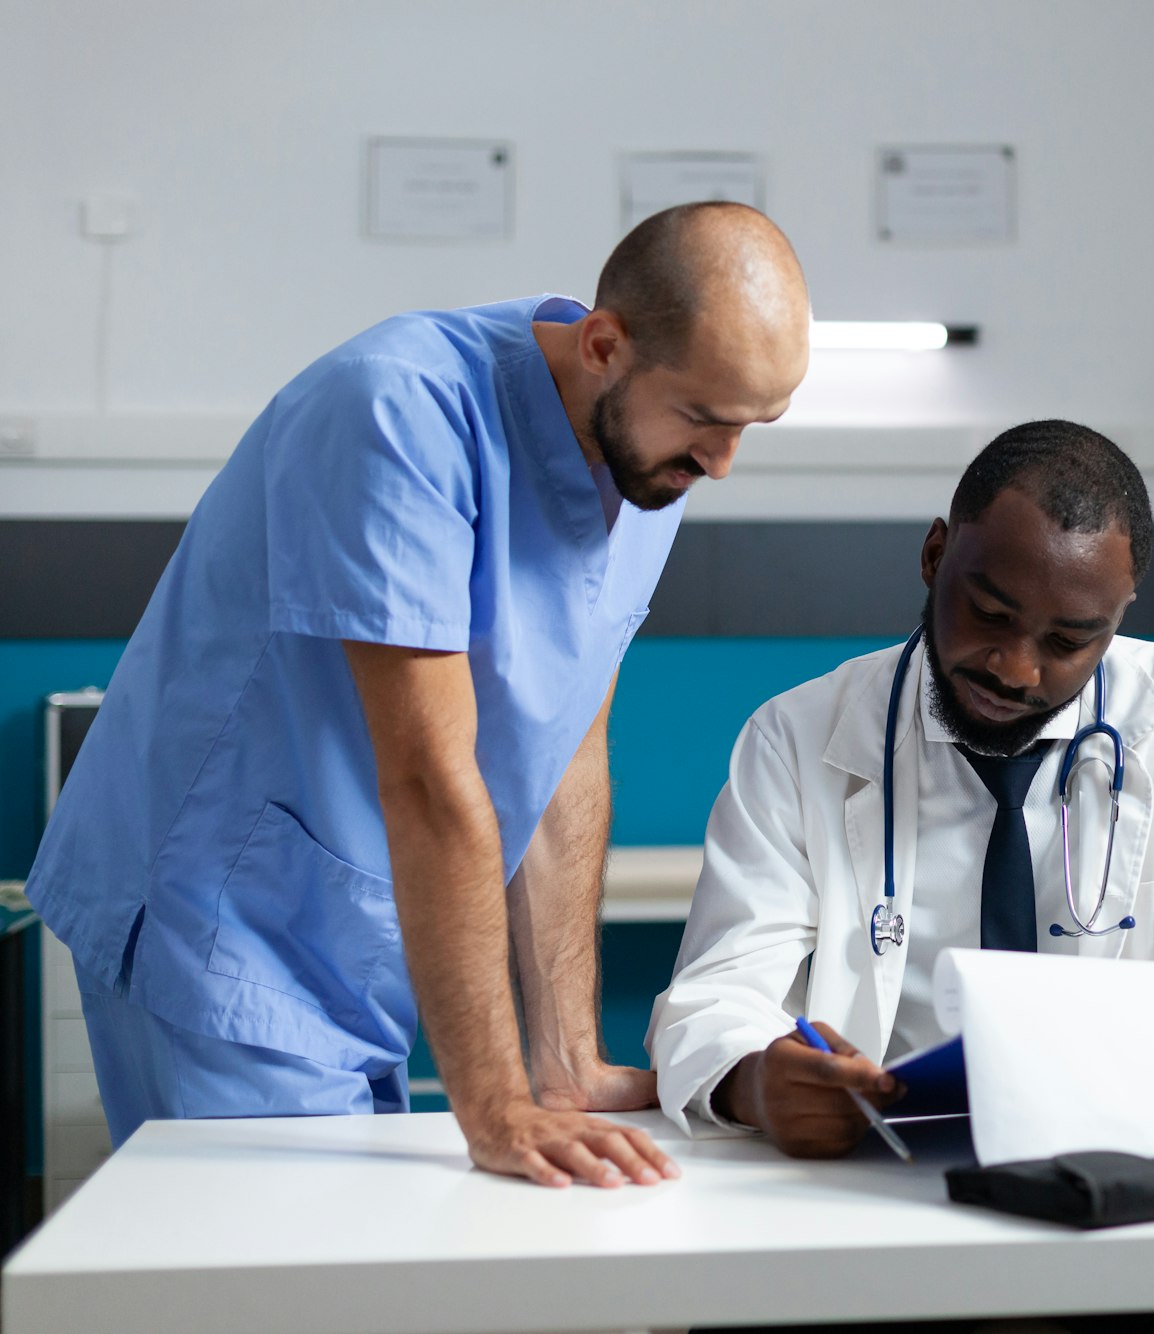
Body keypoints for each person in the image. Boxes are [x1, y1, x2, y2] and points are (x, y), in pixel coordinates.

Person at [26, 202, 811, 1191]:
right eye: (705, 419)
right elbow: (429, 774)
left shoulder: (647, 458)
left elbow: (567, 744)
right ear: (604, 345)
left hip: (354, 930)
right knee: (296, 1291)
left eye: (751, 426)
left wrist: (561, 1061)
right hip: (219, 917)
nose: (721, 463)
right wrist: (491, 1106)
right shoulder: (398, 409)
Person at [649, 420, 1154, 1151]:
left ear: (1117, 621)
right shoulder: (795, 737)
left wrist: (1137, 1076)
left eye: (1068, 641)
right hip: (873, 1166)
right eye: (990, 614)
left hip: (1107, 1149)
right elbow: (714, 996)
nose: (1015, 669)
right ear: (934, 555)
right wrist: (755, 1080)